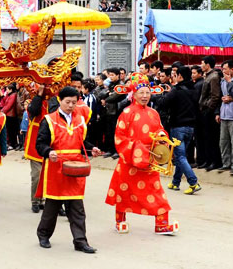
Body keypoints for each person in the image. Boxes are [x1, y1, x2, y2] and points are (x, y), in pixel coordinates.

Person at [106, 76, 178, 235]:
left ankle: (162, 224)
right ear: (134, 94)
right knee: (124, 192)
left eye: (147, 92)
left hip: (149, 160)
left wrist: (162, 138)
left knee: (156, 191)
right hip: (130, 160)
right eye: (141, 92)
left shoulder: (154, 113)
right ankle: (120, 222)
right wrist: (137, 150)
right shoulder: (126, 113)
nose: (145, 96)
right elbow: (120, 138)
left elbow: (160, 130)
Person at [35, 86, 100, 253]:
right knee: (52, 207)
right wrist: (49, 152)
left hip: (75, 169)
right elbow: (40, 144)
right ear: (60, 101)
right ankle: (43, 235)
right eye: (67, 102)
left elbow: (81, 143)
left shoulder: (80, 121)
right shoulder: (49, 120)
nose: (71, 105)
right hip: (56, 168)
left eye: (74, 102)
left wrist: (91, 148)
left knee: (77, 207)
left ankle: (80, 241)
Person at [160, 66, 200, 193]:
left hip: (178, 127)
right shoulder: (194, 90)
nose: (173, 77)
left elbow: (163, 103)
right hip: (191, 128)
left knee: (180, 156)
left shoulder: (176, 90)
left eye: (175, 75)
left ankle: (193, 182)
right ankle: (175, 182)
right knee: (180, 156)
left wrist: (166, 93)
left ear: (180, 76)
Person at [25, 85, 47, 213]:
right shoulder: (32, 101)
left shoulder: (56, 102)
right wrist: (39, 95)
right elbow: (33, 110)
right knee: (36, 175)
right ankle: (35, 200)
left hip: (50, 143)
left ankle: (44, 200)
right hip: (35, 143)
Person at [198, 56, 222, 171]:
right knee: (206, 137)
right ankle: (208, 161)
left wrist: (209, 108)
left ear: (208, 65)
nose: (201, 66)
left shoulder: (213, 77)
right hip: (205, 110)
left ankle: (214, 161)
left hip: (209, 112)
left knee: (212, 137)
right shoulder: (208, 76)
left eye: (202, 63)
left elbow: (215, 96)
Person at [0, 83, 19, 150]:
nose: (6, 90)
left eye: (7, 89)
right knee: (9, 130)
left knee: (12, 131)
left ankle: (13, 144)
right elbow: (5, 101)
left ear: (11, 89)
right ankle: (11, 143)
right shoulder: (9, 95)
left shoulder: (13, 95)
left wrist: (2, 111)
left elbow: (9, 106)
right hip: (8, 115)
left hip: (11, 115)